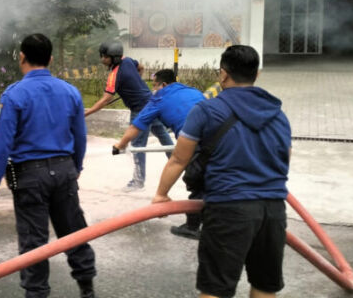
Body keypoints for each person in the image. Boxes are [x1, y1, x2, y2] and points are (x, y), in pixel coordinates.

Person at [152, 45, 291, 298]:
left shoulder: (207, 110)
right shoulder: (277, 113)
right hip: (273, 210)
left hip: (229, 208)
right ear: (256, 74)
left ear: (223, 74)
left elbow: (179, 159)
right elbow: (285, 157)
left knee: (216, 288)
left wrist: (161, 195)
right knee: (263, 285)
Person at [0, 33, 96, 298]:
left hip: (29, 177)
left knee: (34, 244)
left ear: (22, 57)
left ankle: (37, 294)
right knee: (74, 233)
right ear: (51, 59)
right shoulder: (70, 92)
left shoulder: (14, 95)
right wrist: (74, 169)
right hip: (64, 171)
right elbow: (80, 137)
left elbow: (2, 144)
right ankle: (87, 290)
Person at [113, 69, 205, 239]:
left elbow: (136, 127)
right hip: (221, 140)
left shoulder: (159, 98)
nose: (153, 90)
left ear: (163, 85)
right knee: (211, 179)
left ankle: (193, 227)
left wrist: (120, 144)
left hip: (195, 143)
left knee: (196, 181)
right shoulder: (194, 91)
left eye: (154, 85)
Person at [85, 41, 174, 192]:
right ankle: (179, 161)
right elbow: (141, 67)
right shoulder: (127, 60)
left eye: (103, 57)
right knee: (163, 135)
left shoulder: (114, 74)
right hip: (152, 103)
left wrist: (86, 112)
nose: (102, 60)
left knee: (138, 146)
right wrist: (135, 81)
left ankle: (138, 181)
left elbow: (105, 99)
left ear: (111, 58)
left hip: (140, 110)